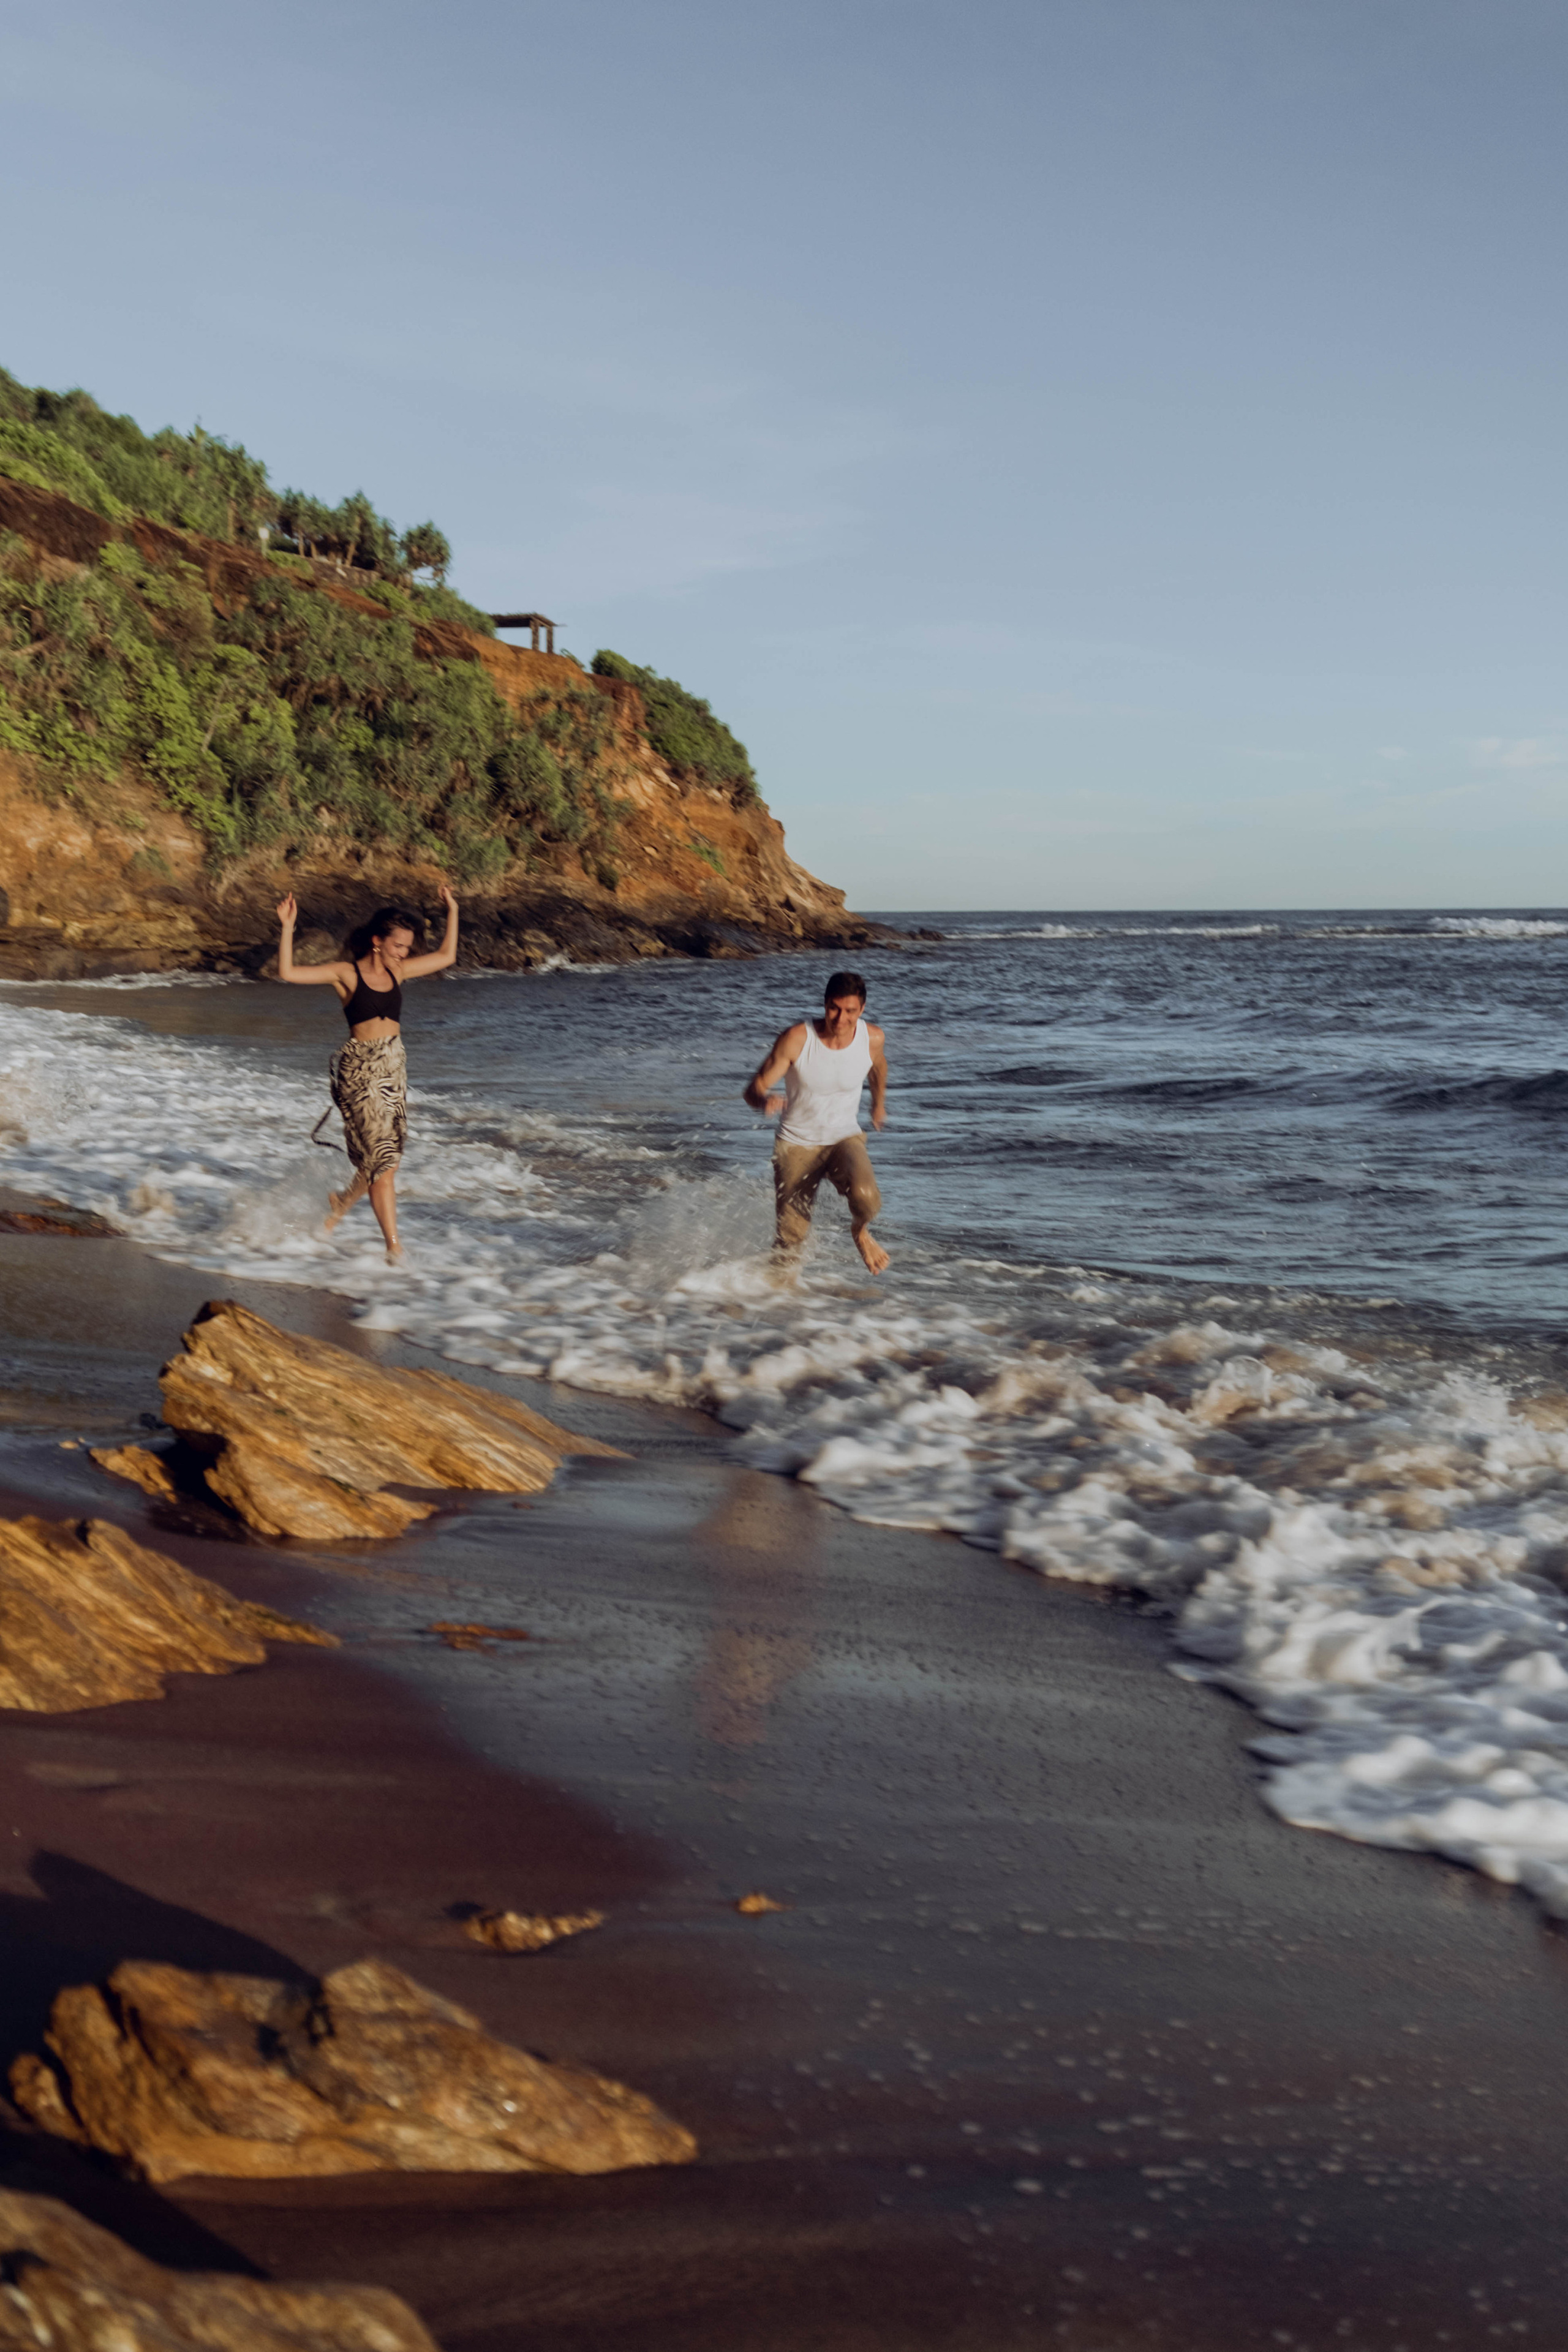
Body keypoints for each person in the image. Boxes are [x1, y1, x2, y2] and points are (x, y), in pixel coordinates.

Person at [275, 886, 459, 1262]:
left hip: (394, 1071)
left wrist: (453, 909)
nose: (404, 953)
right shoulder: (346, 973)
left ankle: (340, 1204)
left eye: (407, 948)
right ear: (378, 941)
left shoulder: (400, 972)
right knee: (384, 1163)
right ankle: (394, 1249)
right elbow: (288, 972)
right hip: (360, 1072)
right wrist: (288, 927)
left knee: (385, 1159)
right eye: (398, 946)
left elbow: (447, 955)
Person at [744, 970, 890, 1275]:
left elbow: (877, 1066)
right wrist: (764, 1100)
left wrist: (878, 1104)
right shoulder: (798, 1038)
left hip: (844, 1138)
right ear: (825, 1005)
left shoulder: (872, 1038)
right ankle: (777, 1304)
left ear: (862, 1010)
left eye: (850, 1011)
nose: (840, 1018)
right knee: (791, 1241)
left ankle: (860, 1233)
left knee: (867, 1199)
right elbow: (753, 1089)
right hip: (796, 1144)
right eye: (834, 1008)